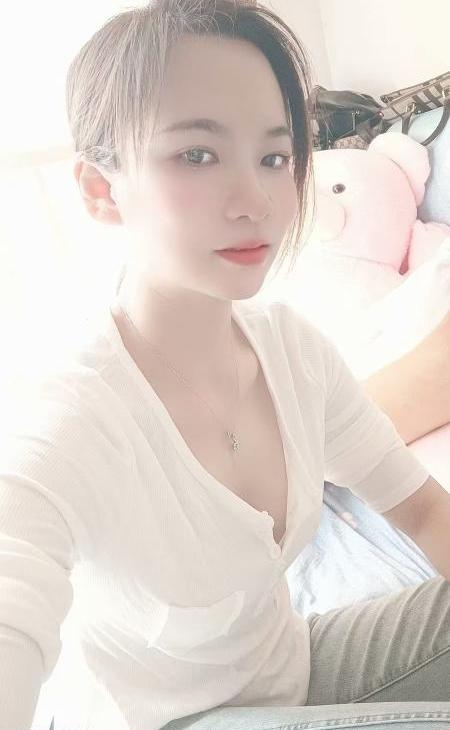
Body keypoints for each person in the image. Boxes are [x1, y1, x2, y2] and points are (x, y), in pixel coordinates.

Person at [0, 2, 449, 730]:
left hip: (295, 670)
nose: (256, 202)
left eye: (274, 157)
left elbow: (422, 508)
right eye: (197, 155)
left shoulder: (294, 352)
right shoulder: (71, 411)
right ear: (101, 190)